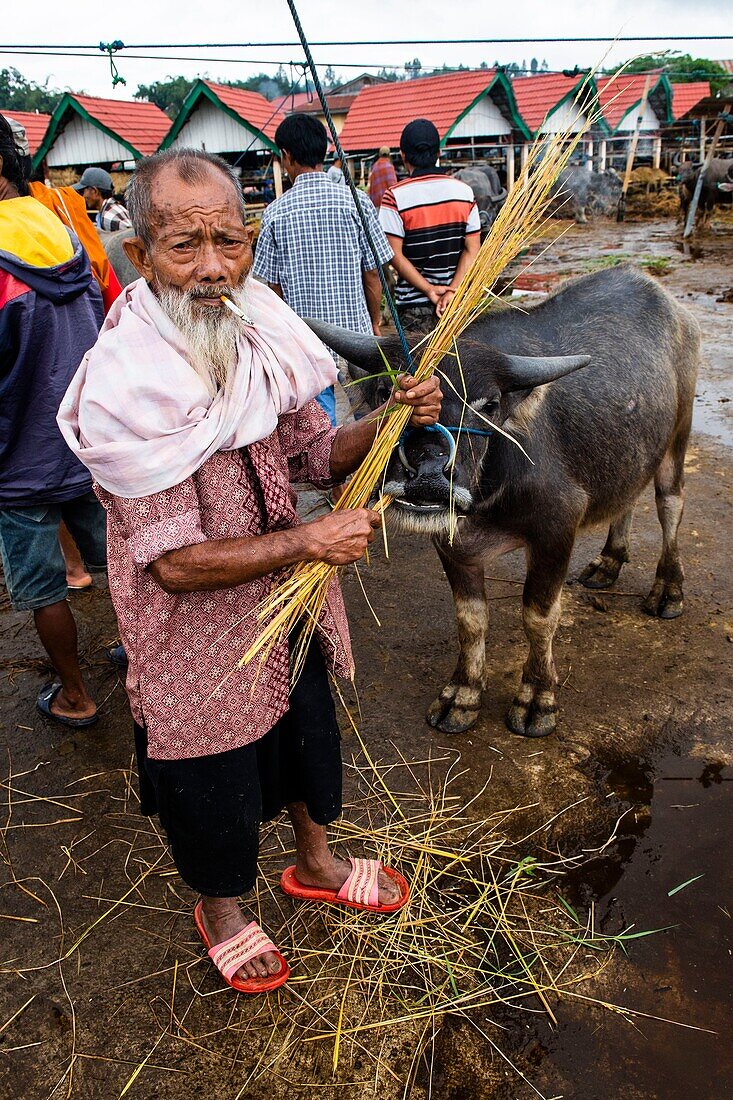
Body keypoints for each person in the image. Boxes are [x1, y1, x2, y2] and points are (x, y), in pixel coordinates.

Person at [58, 148, 443, 993]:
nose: (210, 269)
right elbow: (175, 567)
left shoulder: (264, 328)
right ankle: (223, 910)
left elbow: (310, 453)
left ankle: (315, 863)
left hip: (289, 606)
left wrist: (386, 419)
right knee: (212, 779)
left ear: (251, 241)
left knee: (307, 736)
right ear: (140, 257)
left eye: (227, 243)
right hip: (193, 634)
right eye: (182, 247)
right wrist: (306, 544)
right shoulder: (127, 382)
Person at [0, 114, 109, 726]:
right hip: (89, 441)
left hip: (20, 457)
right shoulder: (65, 227)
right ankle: (146, 663)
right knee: (120, 563)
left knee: (45, 588)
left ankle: (75, 694)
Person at [253, 115, 393, 426]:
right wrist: (374, 321)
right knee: (370, 418)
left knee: (322, 429)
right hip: (356, 336)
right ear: (324, 151)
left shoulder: (275, 214)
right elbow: (373, 274)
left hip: (306, 343)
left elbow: (271, 290)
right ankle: (374, 470)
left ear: (287, 156)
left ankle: (330, 471)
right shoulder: (356, 202)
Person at [379, 118, 481, 335]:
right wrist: (453, 290)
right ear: (438, 153)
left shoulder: (394, 197)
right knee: (459, 366)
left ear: (403, 155)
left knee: (416, 368)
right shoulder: (464, 193)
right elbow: (472, 249)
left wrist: (428, 289)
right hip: (456, 306)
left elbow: (393, 255)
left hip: (413, 309)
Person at [73, 166, 132, 232]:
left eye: (84, 191)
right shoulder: (107, 211)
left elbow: (132, 237)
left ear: (94, 191)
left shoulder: (109, 217)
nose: (83, 196)